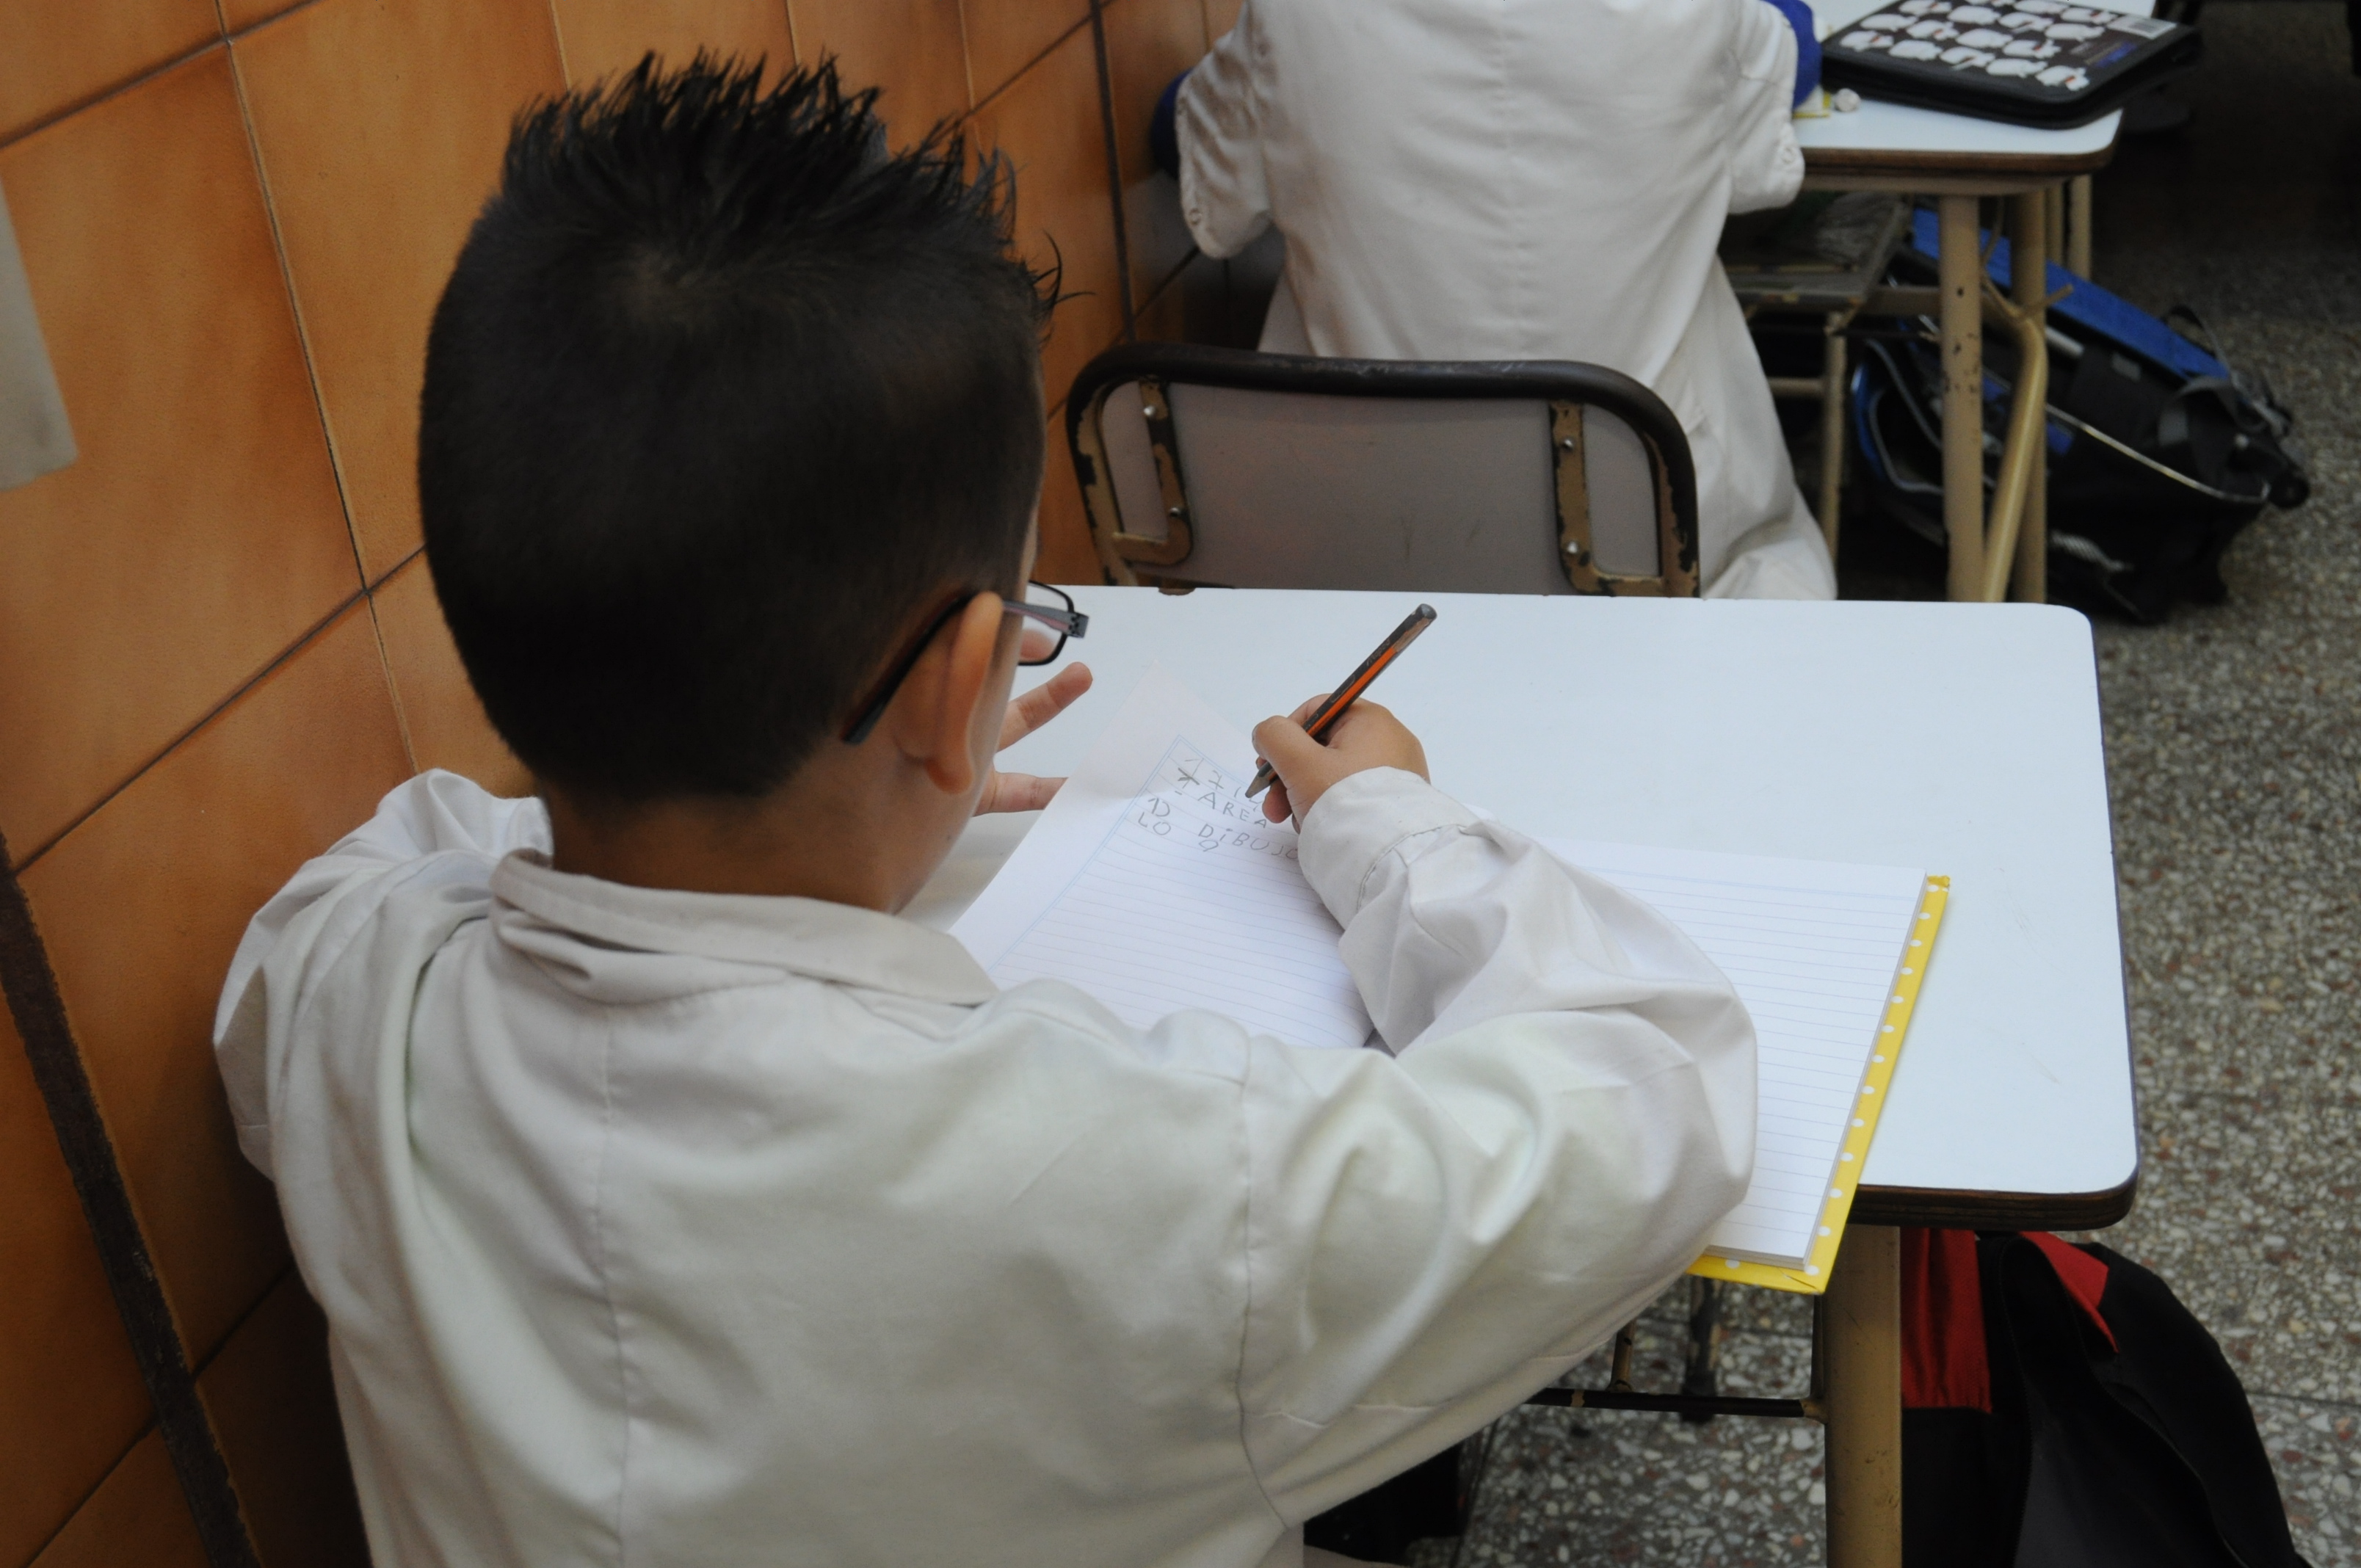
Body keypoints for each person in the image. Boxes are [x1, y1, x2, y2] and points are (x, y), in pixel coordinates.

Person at [212, 58, 1756, 1568]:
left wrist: (840, 781)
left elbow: (401, 853)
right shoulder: (1167, 1185)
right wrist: (1387, 824)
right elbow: (1652, 1087)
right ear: (966, 680)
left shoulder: (351, 1005)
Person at [1167, 0, 1839, 600]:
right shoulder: (1694, 13)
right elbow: (1792, 56)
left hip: (1364, 538)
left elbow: (1190, 145)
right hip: (1659, 536)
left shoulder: (1293, 17)